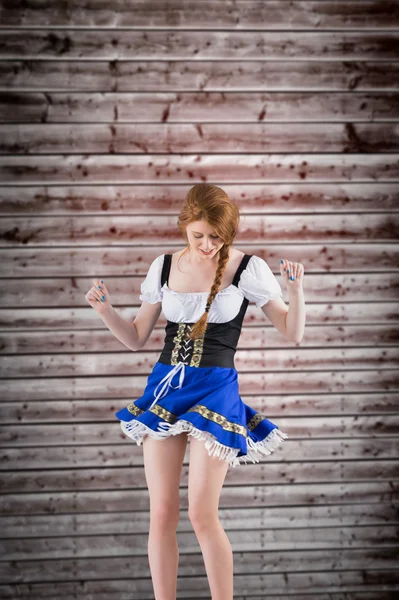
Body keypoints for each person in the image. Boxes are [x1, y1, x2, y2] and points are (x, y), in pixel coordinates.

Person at [85, 183, 306, 600]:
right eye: (198, 235)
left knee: (202, 515)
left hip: (216, 391)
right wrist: (104, 310)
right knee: (162, 514)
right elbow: (136, 338)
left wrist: (295, 292)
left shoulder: (246, 269)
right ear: (185, 226)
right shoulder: (164, 266)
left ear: (228, 234)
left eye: (216, 237)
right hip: (166, 390)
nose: (207, 245)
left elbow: (292, 333)